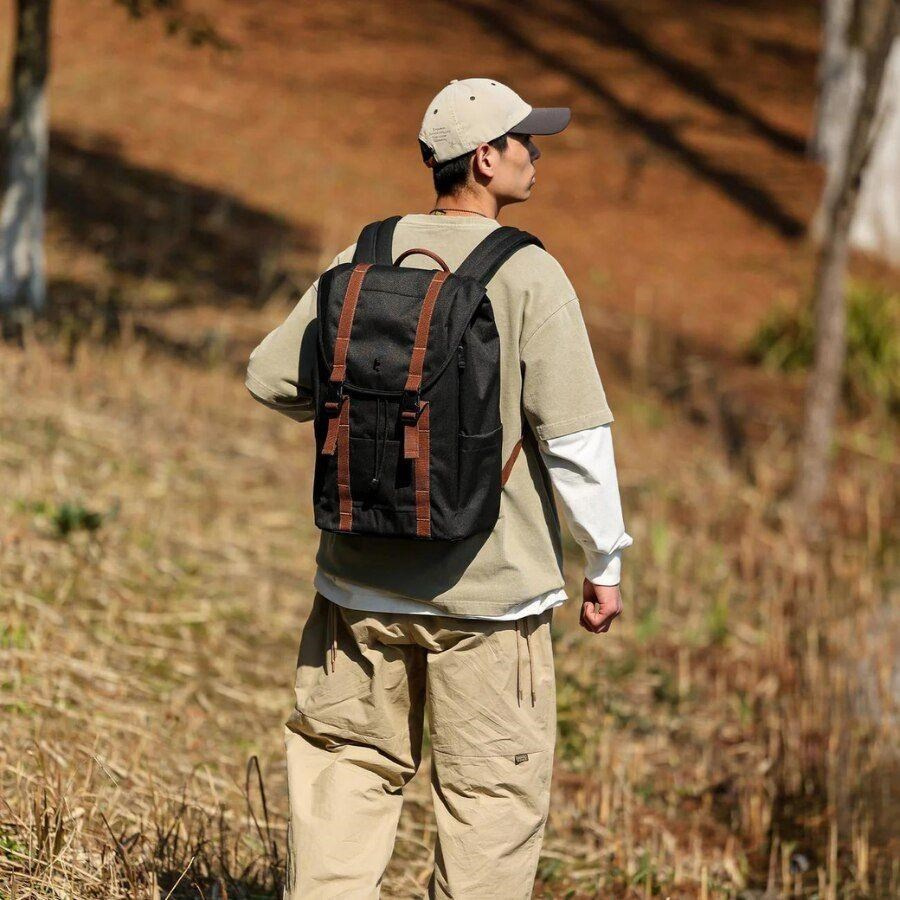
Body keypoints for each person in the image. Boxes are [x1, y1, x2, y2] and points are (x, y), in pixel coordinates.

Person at [245, 77, 634, 900]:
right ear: (485, 158)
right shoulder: (528, 273)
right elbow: (575, 440)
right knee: (489, 803)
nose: (537, 156)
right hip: (487, 600)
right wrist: (604, 562)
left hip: (358, 584)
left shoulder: (362, 256)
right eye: (527, 142)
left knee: (345, 775)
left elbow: (270, 377)